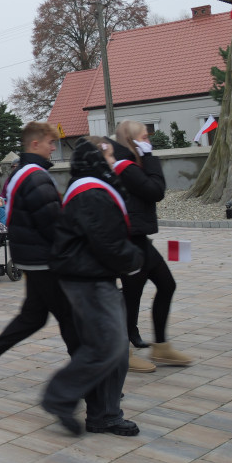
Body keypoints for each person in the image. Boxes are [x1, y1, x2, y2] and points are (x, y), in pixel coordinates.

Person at [41, 137, 143, 437]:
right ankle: (59, 397)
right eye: (110, 156)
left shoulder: (91, 187)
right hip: (88, 281)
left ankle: (105, 415)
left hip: (93, 278)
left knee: (116, 350)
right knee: (108, 346)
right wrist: (135, 260)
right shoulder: (91, 192)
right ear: (96, 160)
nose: (114, 162)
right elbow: (107, 240)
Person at [0, 121, 78, 391]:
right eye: (50, 143)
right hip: (43, 259)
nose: (54, 148)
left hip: (31, 256)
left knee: (34, 317)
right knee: (71, 319)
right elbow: (52, 223)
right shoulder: (36, 176)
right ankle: (90, 378)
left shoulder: (21, 173)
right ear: (35, 144)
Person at [111, 120, 192, 371]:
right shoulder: (125, 166)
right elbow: (156, 190)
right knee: (132, 296)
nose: (149, 141)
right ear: (132, 140)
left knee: (167, 285)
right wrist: (151, 159)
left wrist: (146, 159)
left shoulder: (133, 163)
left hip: (139, 236)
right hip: (129, 239)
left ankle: (161, 348)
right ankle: (121, 352)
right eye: (144, 137)